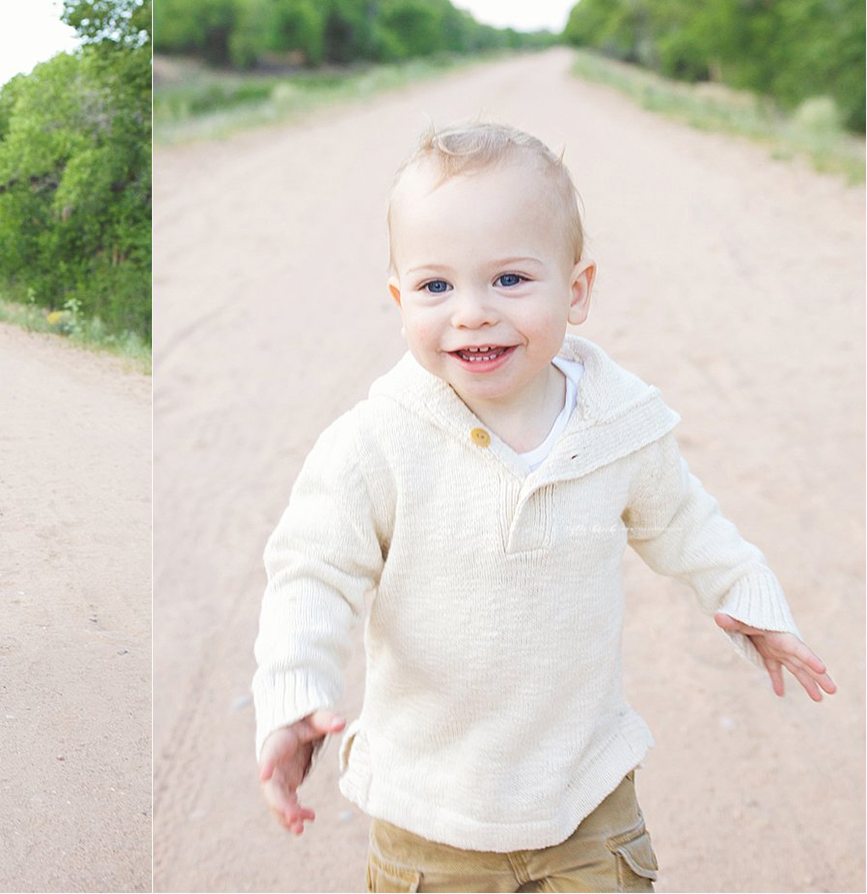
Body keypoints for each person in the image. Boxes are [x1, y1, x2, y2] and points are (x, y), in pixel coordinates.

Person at [251, 122, 834, 892]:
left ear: (577, 290)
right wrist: (296, 698)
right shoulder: (375, 443)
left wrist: (746, 597)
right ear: (399, 299)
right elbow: (311, 574)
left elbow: (688, 524)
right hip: (430, 816)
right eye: (435, 286)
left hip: (585, 798)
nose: (471, 312)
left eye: (510, 280)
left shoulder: (618, 426)